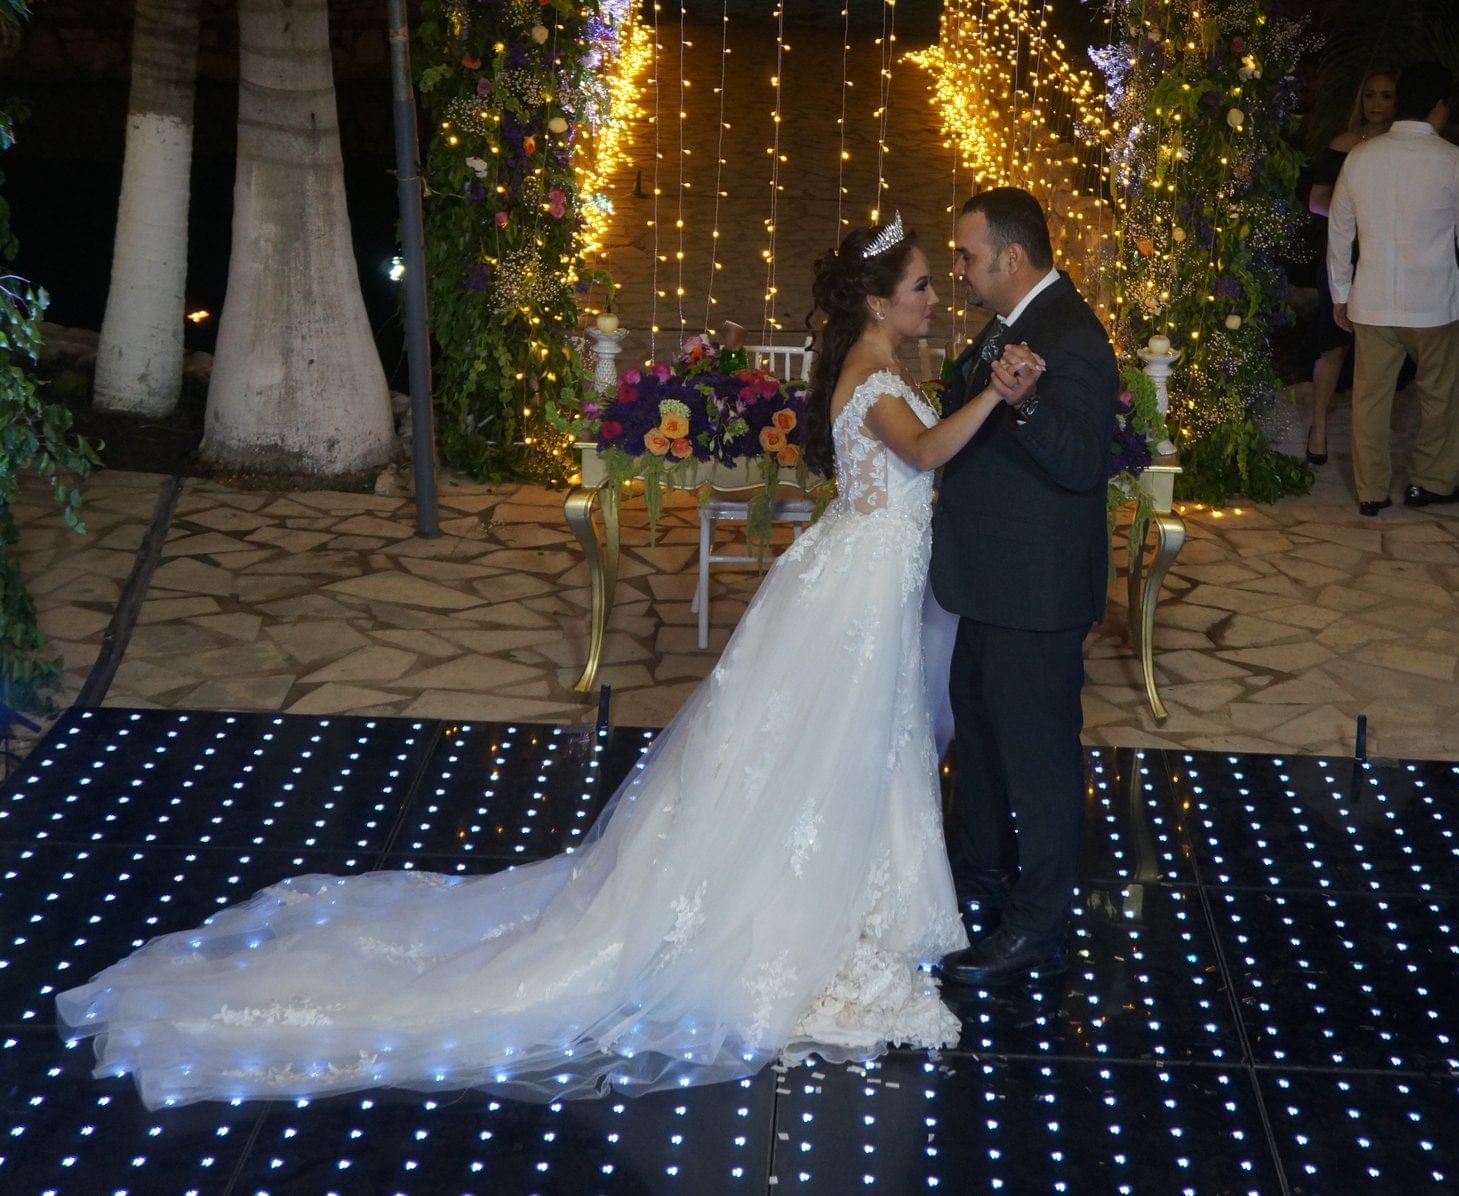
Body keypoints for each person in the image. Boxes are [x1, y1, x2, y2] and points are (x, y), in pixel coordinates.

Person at [56, 214, 1029, 1108]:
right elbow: (932, 450)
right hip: (853, 592)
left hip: (868, 583)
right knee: (830, 753)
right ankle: (797, 924)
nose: (931, 297)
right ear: (874, 300)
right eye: (916, 285)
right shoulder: (872, 371)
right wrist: (995, 388)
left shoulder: (875, 361)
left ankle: (856, 913)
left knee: (858, 753)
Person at [930, 187, 1119, 985]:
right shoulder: (1016, 321)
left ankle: (1037, 922)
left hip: (1035, 590)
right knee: (978, 729)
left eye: (968, 255)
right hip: (992, 579)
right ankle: (980, 872)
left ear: (1011, 257)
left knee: (1038, 759)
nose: (959, 269)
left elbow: (1081, 461)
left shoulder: (1071, 335)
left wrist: (1030, 401)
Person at [1328, 61, 1459, 517]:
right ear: (1440, 106)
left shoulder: (1361, 156)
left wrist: (1341, 291)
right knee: (1439, 396)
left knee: (1370, 398)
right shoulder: (1454, 160)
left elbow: (1340, 231)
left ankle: (1370, 491)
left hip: (1373, 300)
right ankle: (1430, 483)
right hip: (1435, 303)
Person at [1305, 69, 1397, 464]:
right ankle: (1319, 430)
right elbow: (1315, 200)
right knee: (1334, 344)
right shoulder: (1343, 144)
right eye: (1370, 95)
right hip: (1344, 252)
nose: (1376, 104)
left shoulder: (1402, 147)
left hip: (1387, 253)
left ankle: (1369, 441)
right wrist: (1354, 217)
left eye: (1386, 96)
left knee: (1380, 348)